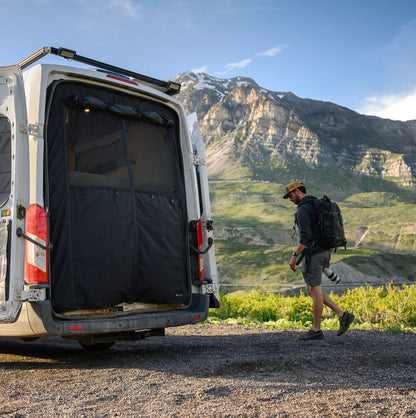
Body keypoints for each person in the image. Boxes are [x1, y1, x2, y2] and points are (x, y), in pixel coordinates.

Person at [283, 181, 354, 340]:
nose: (290, 200)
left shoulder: (303, 209)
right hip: (324, 251)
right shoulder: (318, 204)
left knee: (314, 291)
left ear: (297, 191)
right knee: (312, 289)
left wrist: (294, 256)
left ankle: (316, 330)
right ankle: (342, 315)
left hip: (313, 254)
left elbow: (305, 238)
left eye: (290, 196)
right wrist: (326, 255)